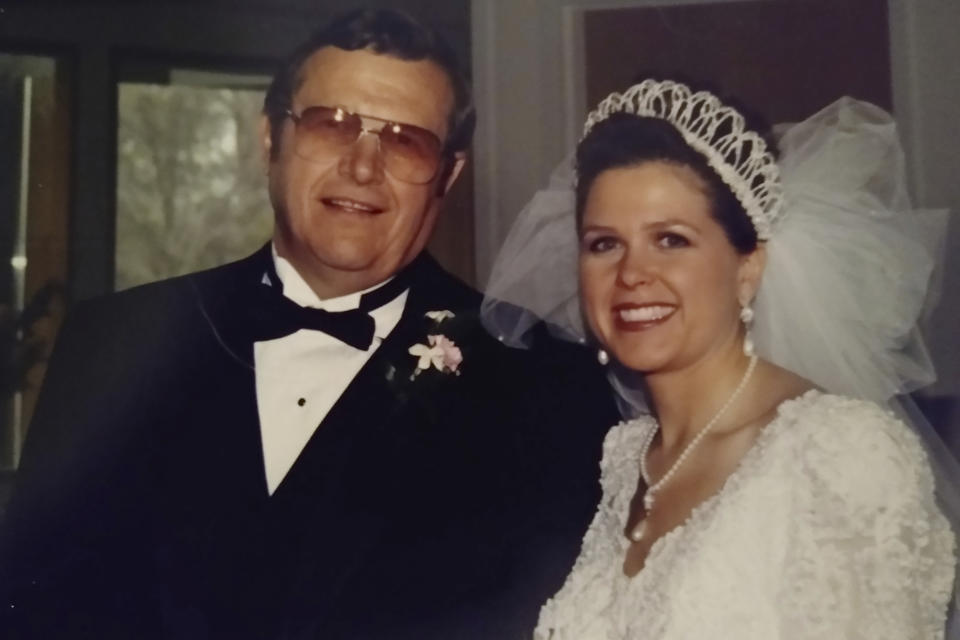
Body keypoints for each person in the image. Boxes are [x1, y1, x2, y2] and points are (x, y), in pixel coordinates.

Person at [0, 9, 618, 639]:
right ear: (269, 140)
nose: (362, 167)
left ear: (449, 175)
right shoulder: (114, 342)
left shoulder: (541, 384)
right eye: (332, 126)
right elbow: (32, 603)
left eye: (406, 140)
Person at [482, 79, 957, 638]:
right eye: (604, 244)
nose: (632, 275)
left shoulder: (837, 450)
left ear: (747, 267)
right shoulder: (625, 458)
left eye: (671, 240)